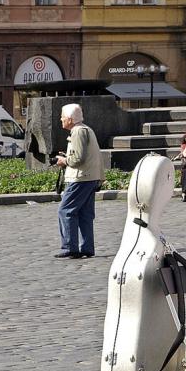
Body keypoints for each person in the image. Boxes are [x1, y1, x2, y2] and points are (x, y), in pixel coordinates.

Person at [54, 103, 103, 259]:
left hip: (80, 178)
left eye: (62, 116)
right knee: (84, 214)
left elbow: (77, 159)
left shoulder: (77, 131)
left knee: (65, 210)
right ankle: (87, 248)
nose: (61, 119)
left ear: (70, 119)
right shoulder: (87, 129)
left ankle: (70, 247)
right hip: (91, 176)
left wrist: (64, 160)